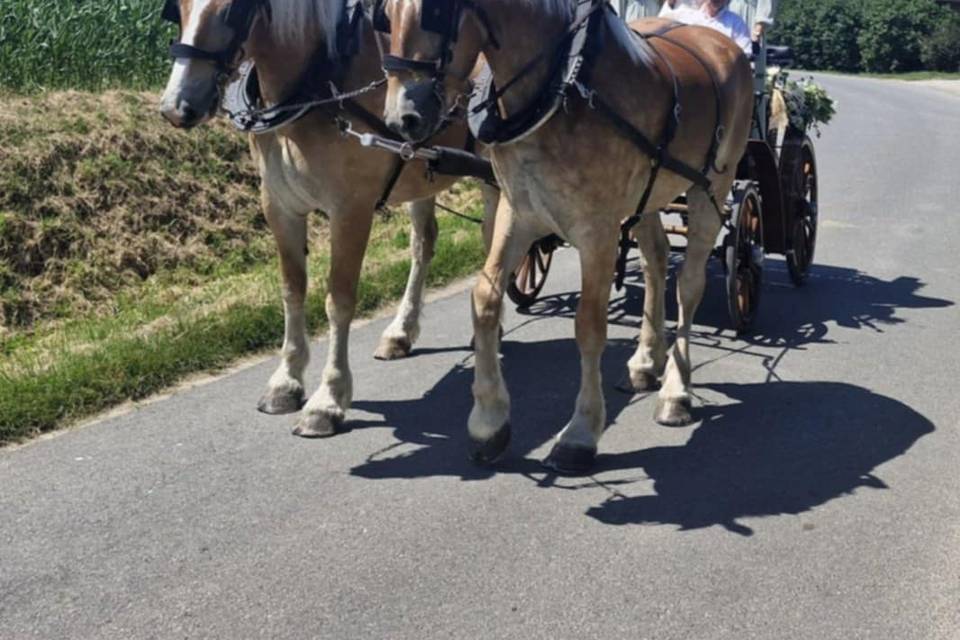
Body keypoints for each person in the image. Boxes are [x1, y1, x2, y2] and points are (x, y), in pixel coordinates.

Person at [659, 0, 752, 56]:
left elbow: (745, 53)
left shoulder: (736, 23)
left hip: (721, 80)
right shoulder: (685, 16)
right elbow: (659, 23)